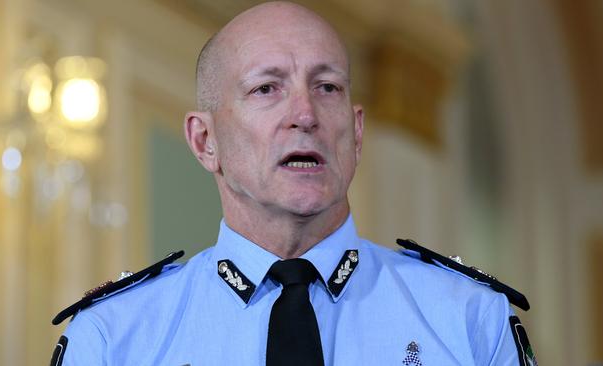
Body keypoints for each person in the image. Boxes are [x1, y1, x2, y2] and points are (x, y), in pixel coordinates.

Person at [50, 2, 537, 365]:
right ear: (205, 140)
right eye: (267, 88)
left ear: (358, 132)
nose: (305, 115)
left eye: (327, 88)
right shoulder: (116, 337)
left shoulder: (467, 319)